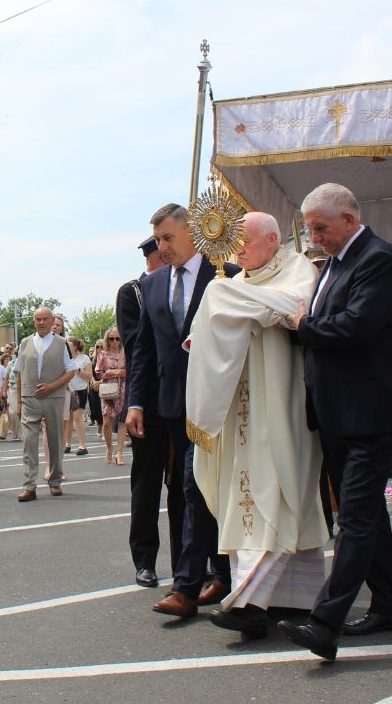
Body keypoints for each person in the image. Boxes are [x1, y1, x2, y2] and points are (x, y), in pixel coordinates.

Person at [279, 184, 392, 662]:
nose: (314, 237)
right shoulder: (336, 265)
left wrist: (303, 328)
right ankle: (388, 606)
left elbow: (355, 326)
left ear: (347, 217)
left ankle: (325, 621)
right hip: (340, 410)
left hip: (372, 409)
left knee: (356, 517)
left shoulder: (376, 259)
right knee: (366, 515)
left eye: (320, 227)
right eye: (310, 229)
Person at [185, 212, 328, 639]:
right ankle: (278, 599)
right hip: (238, 411)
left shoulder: (296, 268)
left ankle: (250, 601)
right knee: (243, 497)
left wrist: (225, 303)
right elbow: (209, 327)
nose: (238, 251)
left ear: (273, 239)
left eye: (245, 241)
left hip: (280, 408)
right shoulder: (235, 284)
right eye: (233, 244)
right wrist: (219, 314)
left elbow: (291, 307)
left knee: (281, 491)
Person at [125, 203, 240, 616]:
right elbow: (144, 351)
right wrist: (136, 402)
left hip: (219, 402)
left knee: (201, 488)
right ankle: (219, 577)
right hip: (173, 406)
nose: (162, 247)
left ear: (193, 233)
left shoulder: (225, 277)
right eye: (158, 240)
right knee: (196, 490)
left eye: (168, 238)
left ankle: (190, 587)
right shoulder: (153, 286)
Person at [118, 236, 181, 587]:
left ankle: (187, 560)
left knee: (185, 487)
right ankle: (145, 560)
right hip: (150, 403)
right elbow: (134, 344)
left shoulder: (182, 285)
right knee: (146, 485)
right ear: (156, 256)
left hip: (182, 401)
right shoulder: (134, 292)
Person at [15, 306, 78, 501]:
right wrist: (18, 401)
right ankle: (29, 486)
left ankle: (55, 481)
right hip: (30, 397)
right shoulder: (25, 343)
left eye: (45, 319)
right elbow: (18, 373)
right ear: (34, 322)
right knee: (29, 443)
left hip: (54, 397)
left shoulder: (62, 343)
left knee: (55, 440)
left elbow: (71, 371)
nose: (41, 322)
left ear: (53, 322)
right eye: (37, 319)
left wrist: (52, 386)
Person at [96, 328, 128, 466]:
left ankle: (119, 453)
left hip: (124, 388)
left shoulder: (125, 353)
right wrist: (116, 372)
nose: (115, 341)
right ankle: (109, 449)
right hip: (108, 390)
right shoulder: (103, 354)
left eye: (117, 338)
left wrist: (123, 373)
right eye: (111, 339)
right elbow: (99, 373)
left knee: (123, 421)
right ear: (107, 340)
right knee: (107, 422)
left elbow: (132, 370)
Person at [64, 339, 92, 456]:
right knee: (68, 418)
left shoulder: (84, 358)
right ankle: (67, 444)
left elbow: (89, 375)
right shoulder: (64, 358)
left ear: (75, 347)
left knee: (77, 417)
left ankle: (82, 446)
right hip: (67, 390)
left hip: (80, 390)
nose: (66, 347)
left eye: (69, 345)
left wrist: (78, 370)